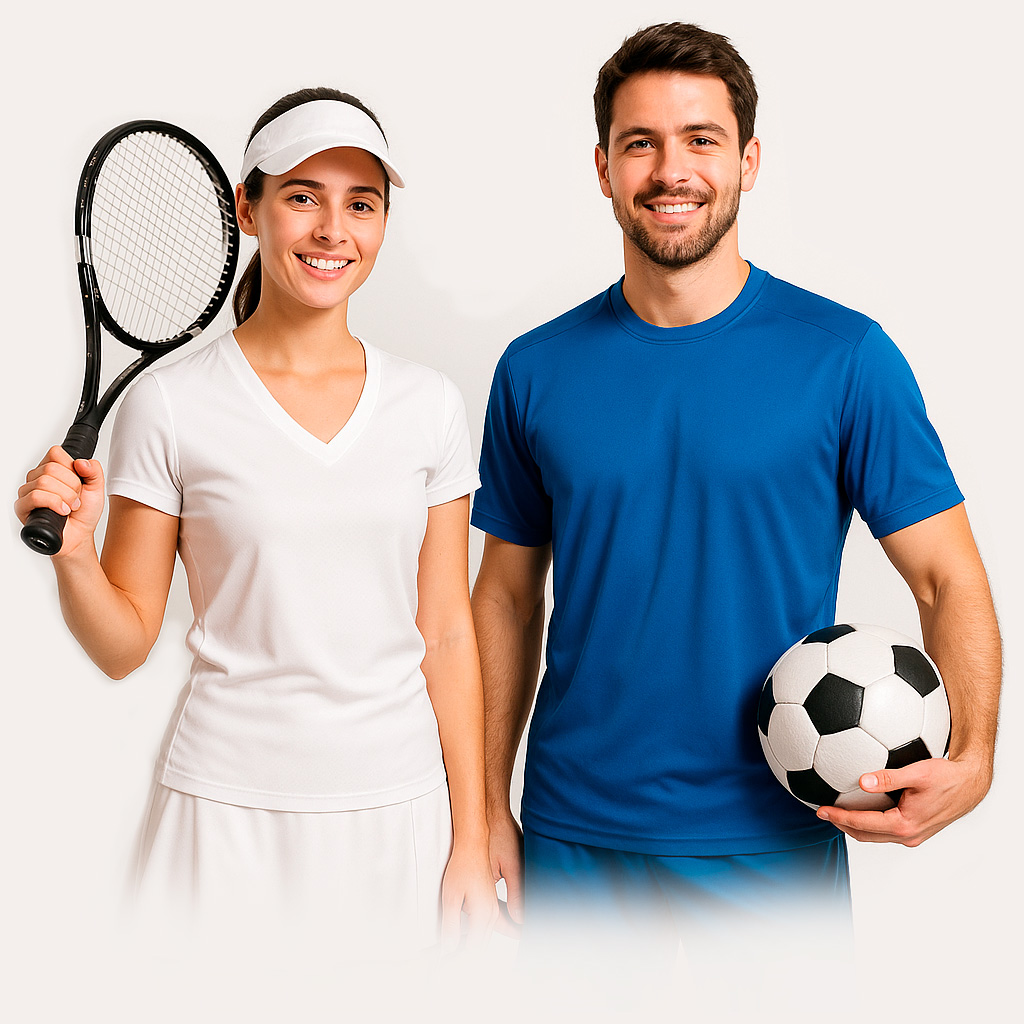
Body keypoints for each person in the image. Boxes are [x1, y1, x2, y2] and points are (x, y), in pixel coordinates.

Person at [470, 23, 1001, 972]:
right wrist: (481, 811)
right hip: (574, 837)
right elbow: (505, 598)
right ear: (603, 168)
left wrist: (976, 760)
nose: (671, 170)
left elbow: (946, 579)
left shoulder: (845, 358)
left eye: (702, 139)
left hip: (775, 840)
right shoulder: (534, 370)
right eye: (641, 143)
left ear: (748, 161)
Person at [15, 87, 497, 953]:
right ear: (248, 208)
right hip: (222, 817)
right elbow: (123, 646)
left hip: (398, 813)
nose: (333, 230)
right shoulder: (169, 404)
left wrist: (471, 837)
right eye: (303, 197)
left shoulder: (428, 406)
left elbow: (448, 634)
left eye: (361, 204)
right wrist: (76, 555)